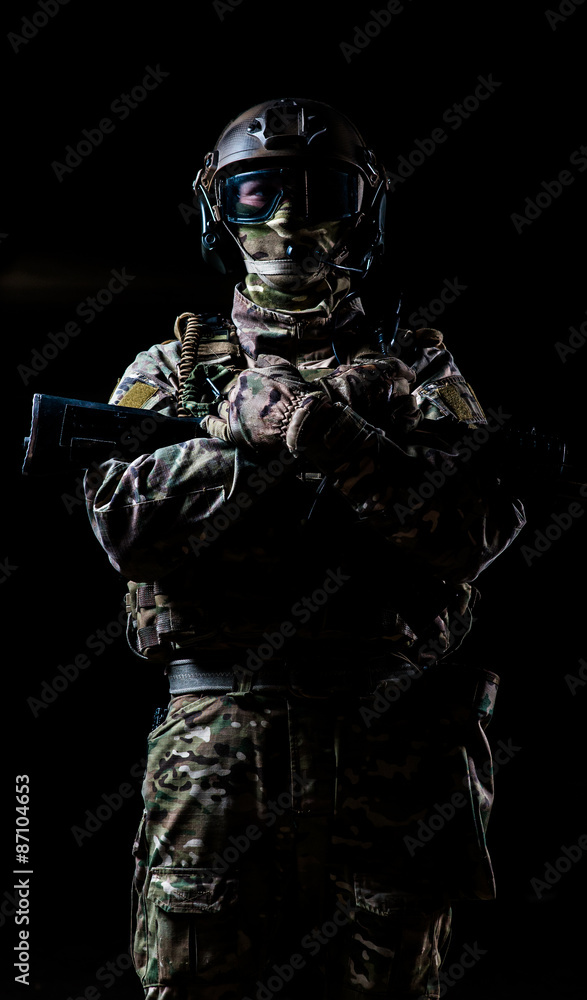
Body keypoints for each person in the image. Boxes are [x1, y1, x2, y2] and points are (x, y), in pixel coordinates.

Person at [85, 97, 527, 1000]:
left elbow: (478, 533)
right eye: (259, 192)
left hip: (392, 746)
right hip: (218, 748)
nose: (287, 220)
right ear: (222, 208)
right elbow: (125, 527)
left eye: (317, 192)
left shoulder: (419, 377)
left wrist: (351, 446)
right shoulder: (169, 371)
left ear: (360, 211)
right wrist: (241, 436)